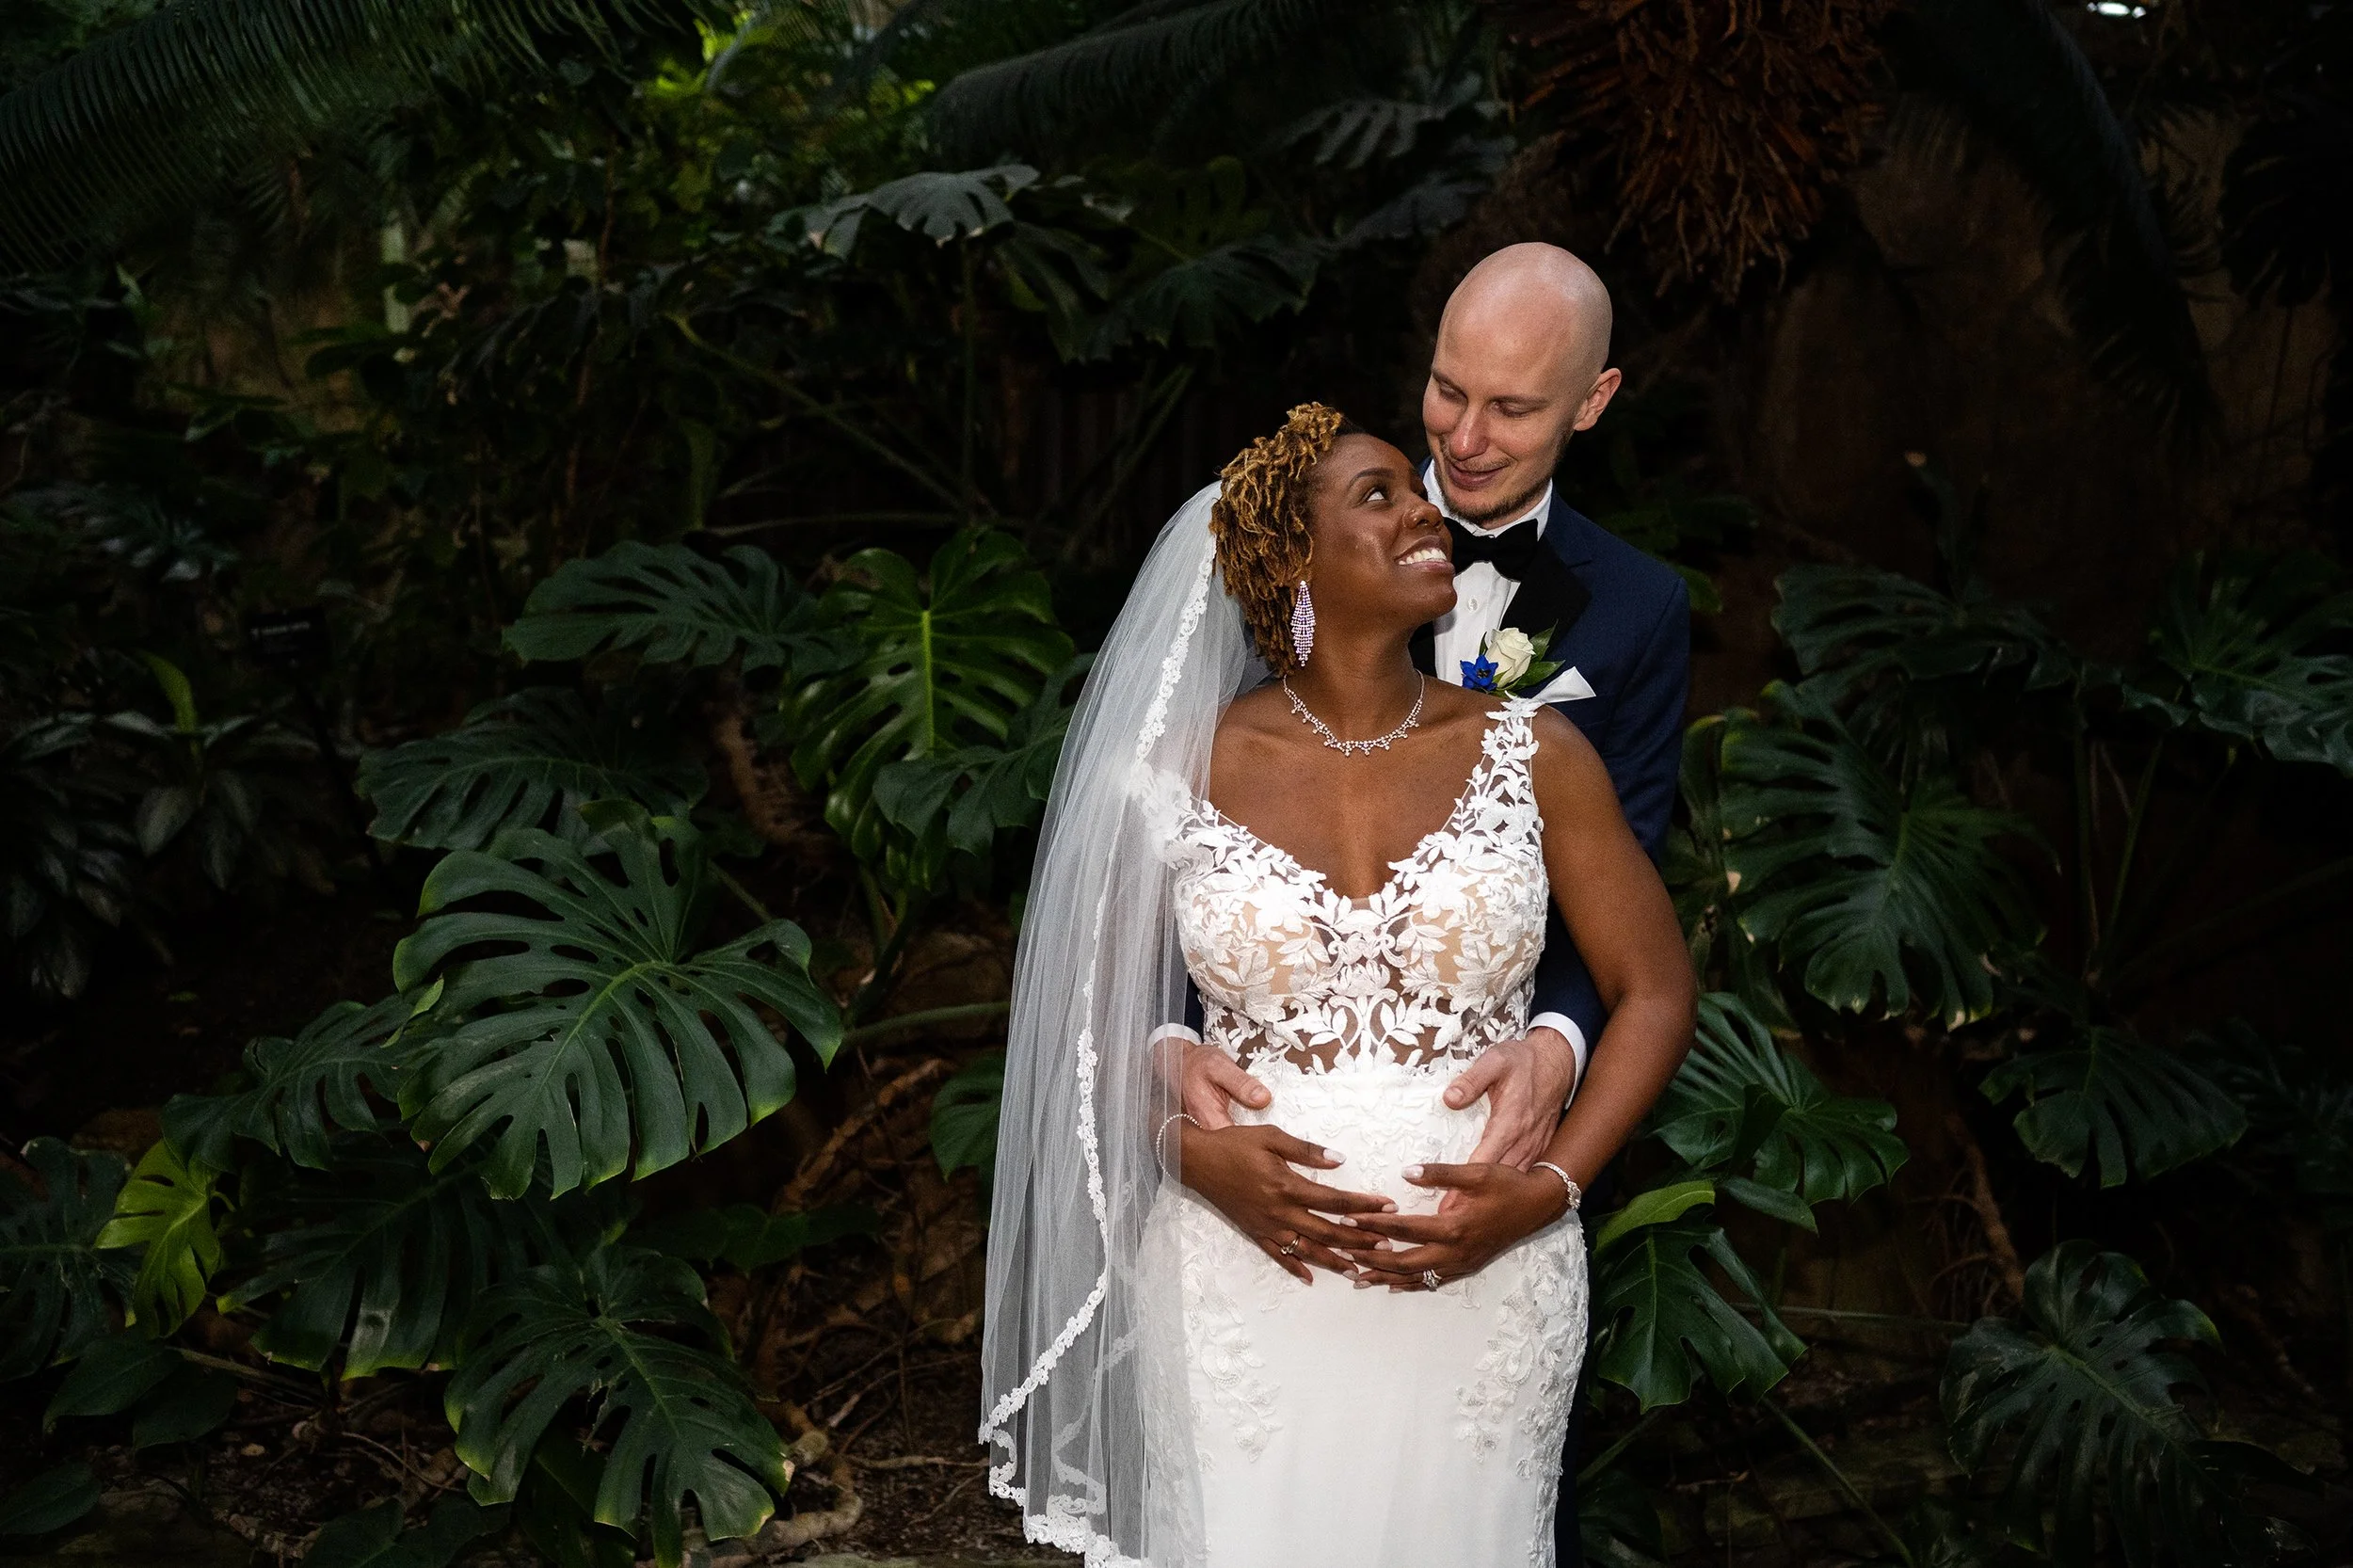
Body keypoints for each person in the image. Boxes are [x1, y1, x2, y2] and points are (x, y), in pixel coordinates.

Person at [980, 400, 1695, 1567]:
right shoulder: (1170, 772)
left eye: (1413, 495)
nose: (1426, 506)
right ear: (1288, 562)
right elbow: (1077, 1026)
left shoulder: (1536, 751)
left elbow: (1655, 991)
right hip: (1237, 1285)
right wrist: (1181, 1146)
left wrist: (1553, 1188)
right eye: (1379, 495)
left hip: (1482, 1286)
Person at [1159, 242, 1693, 1564]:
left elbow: (1633, 932)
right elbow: (1160, 911)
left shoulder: (1631, 617)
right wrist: (1168, 1078)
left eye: (1510, 407)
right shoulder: (1255, 607)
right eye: (1447, 391)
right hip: (1246, 1260)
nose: (1461, 437)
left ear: (1593, 400)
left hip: (1483, 1216)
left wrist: (1557, 1068)